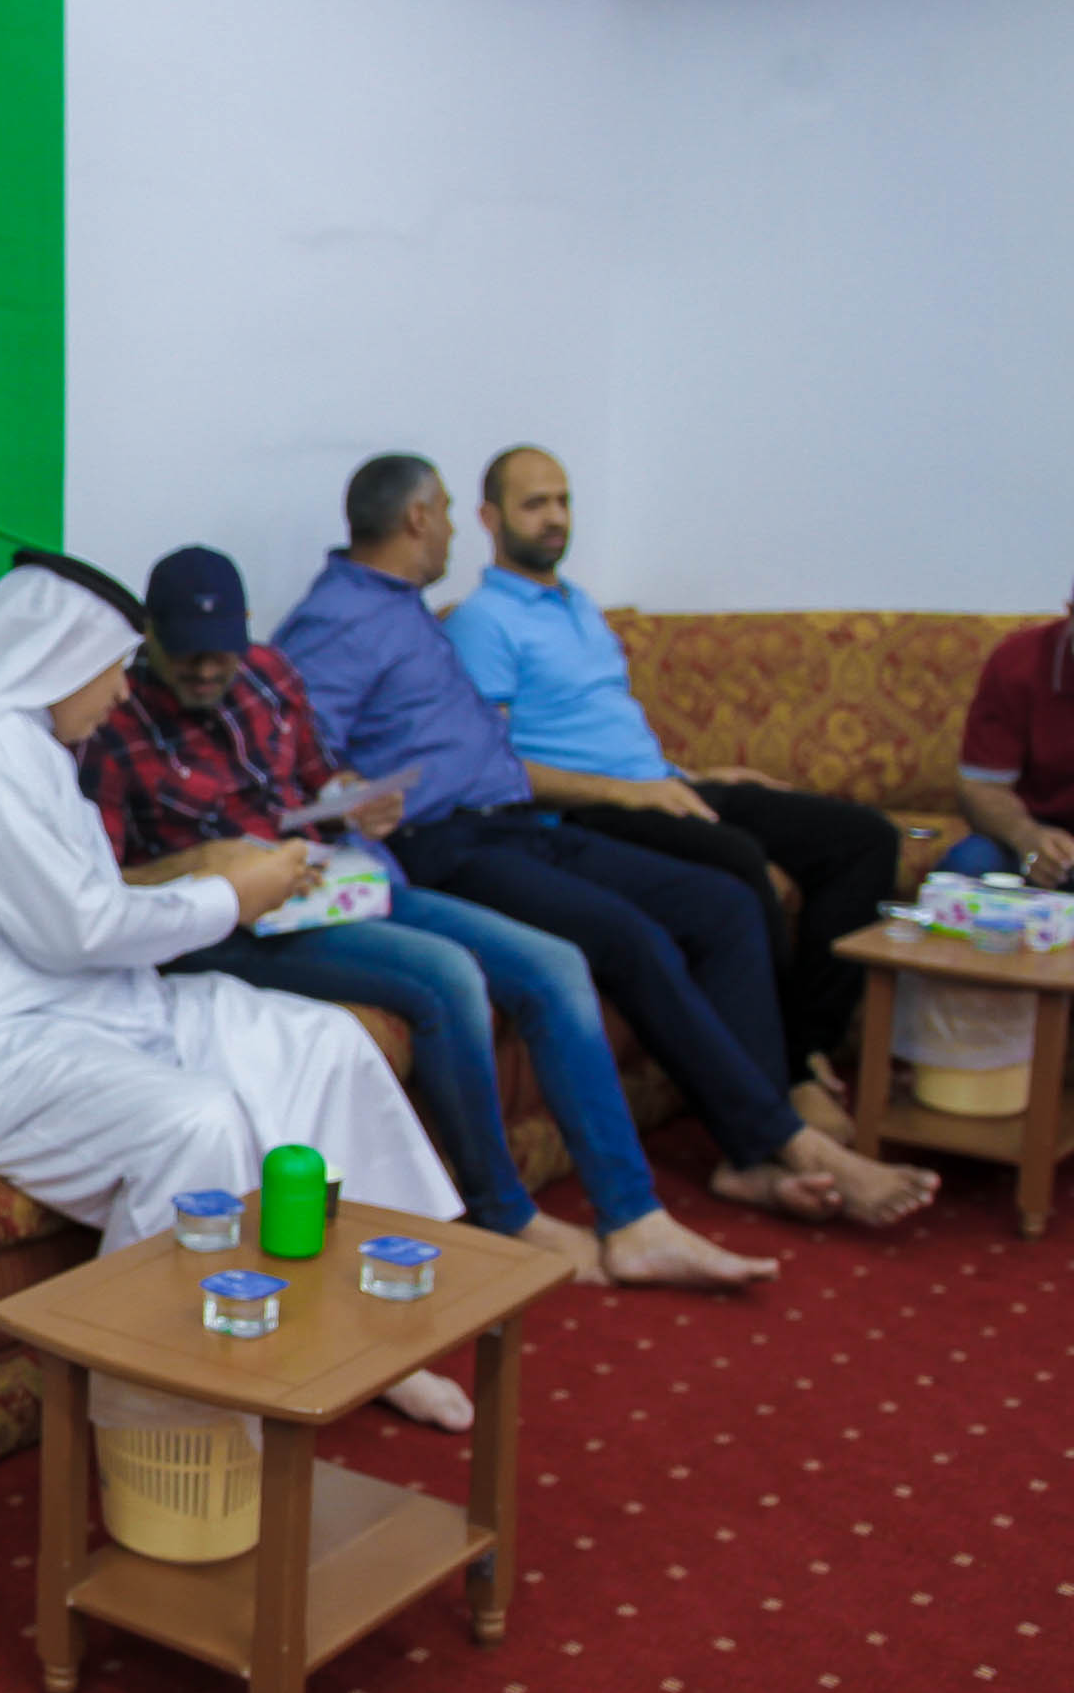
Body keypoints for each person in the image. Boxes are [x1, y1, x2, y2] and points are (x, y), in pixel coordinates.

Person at [0, 548, 476, 1433]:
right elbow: (82, 926)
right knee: (195, 1121)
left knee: (326, 1042)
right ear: (58, 655)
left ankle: (371, 1325)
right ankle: (167, 1426)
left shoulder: (27, 742)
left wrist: (225, 881)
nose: (123, 691)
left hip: (84, 1007)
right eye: (116, 667)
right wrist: (232, 895)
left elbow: (84, 919)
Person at [272, 455, 938, 1229]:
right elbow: (296, 751)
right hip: (445, 843)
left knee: (721, 903)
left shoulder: (400, 604)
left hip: (516, 822)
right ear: (418, 518)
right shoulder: (341, 619)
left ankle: (756, 1141)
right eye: (448, 511)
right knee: (633, 938)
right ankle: (782, 1144)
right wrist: (348, 799)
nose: (453, 529)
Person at [81, 546, 770, 1291]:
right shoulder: (112, 721)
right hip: (224, 924)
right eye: (187, 655)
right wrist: (202, 863)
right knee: (449, 976)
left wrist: (353, 801)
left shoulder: (269, 675)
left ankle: (635, 1218)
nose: (207, 671)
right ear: (151, 635)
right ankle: (503, 1213)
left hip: (322, 883)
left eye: (222, 653)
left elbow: (317, 782)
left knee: (555, 964)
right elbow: (102, 886)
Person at [442, 447, 897, 1136]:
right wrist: (631, 793)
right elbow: (493, 769)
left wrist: (691, 774)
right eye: (535, 504)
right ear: (489, 517)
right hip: (590, 808)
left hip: (662, 785)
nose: (555, 518)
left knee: (864, 839)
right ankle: (788, 1081)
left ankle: (807, 1040)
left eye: (563, 501)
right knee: (737, 859)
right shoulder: (482, 622)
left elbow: (605, 724)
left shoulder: (576, 604)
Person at [947, 588, 1074, 887]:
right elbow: (981, 786)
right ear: (1070, 611)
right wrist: (1027, 837)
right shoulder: (1019, 661)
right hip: (1035, 829)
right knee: (969, 865)